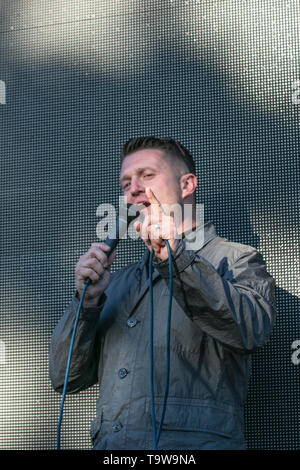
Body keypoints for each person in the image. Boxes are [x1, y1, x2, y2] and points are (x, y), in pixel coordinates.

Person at [49, 136, 277, 450]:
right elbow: (65, 378)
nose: (133, 189)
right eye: (126, 182)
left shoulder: (235, 258)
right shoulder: (118, 281)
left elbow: (251, 330)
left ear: (187, 185)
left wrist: (177, 260)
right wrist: (86, 303)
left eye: (147, 175)